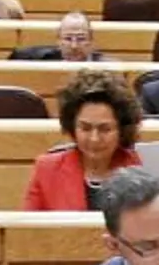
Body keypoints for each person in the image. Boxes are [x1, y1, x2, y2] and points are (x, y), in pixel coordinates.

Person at [23, 69, 143, 211]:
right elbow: (29, 231)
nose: (94, 139)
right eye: (85, 128)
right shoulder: (47, 169)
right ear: (72, 126)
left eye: (105, 129)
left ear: (122, 129)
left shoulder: (141, 167)